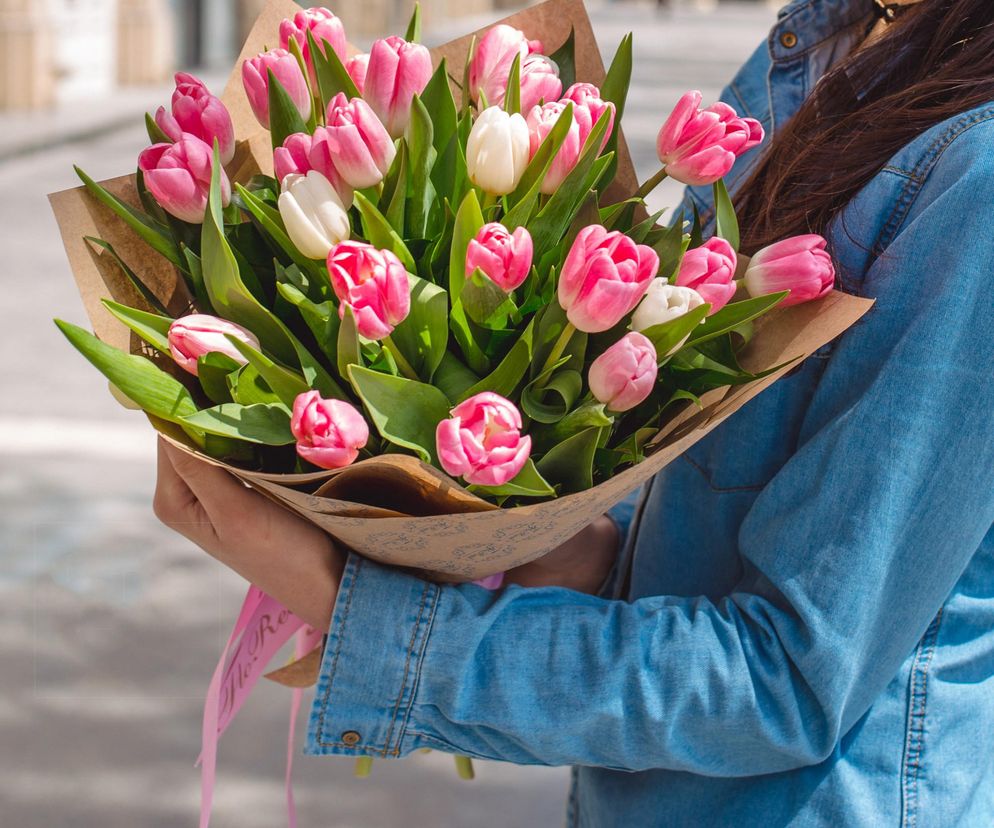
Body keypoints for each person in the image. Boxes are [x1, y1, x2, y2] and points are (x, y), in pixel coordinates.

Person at [154, 0, 994, 824]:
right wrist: (569, 548)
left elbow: (787, 684)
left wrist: (352, 609)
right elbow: (715, 484)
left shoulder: (977, 174)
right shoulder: (831, 31)